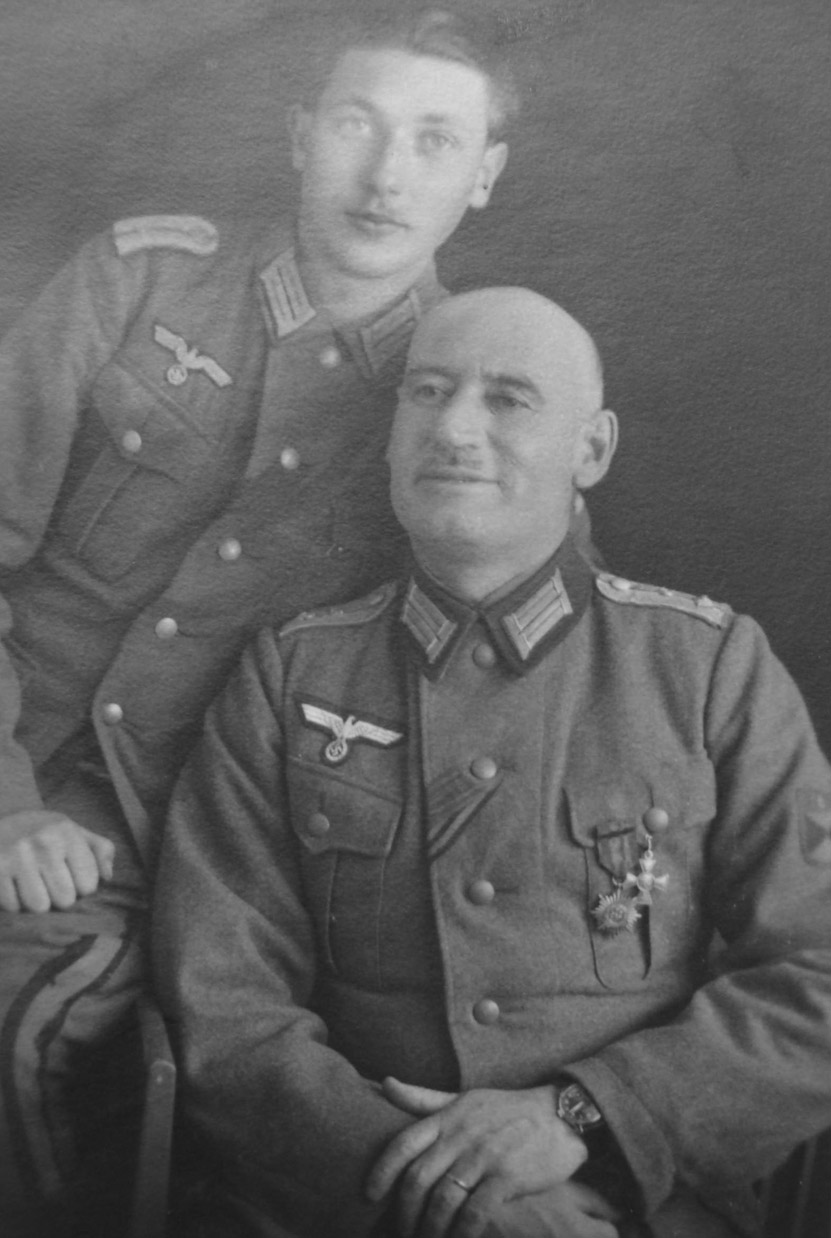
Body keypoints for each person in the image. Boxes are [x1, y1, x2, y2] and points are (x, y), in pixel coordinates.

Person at [154, 286, 831, 1238]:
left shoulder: (708, 668)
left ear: (590, 449)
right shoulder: (288, 674)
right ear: (391, 435)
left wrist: (583, 1121)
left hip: (633, 1202)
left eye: (508, 398)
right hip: (346, 1201)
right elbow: (222, 1006)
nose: (454, 428)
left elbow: (817, 973)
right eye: (428, 392)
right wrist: (438, 1193)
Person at [0, 11, 519, 1235]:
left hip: (164, 839)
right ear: (298, 136)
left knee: (23, 1001)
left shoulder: (459, 399)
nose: (386, 176)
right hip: (13, 741)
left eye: (435, 141)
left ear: (484, 176)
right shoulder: (142, 276)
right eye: (357, 124)